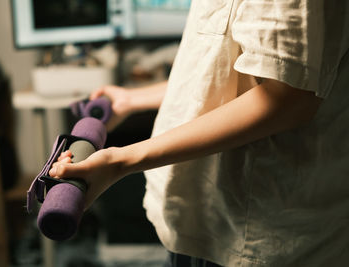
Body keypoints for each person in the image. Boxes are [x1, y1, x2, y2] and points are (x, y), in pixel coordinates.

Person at [50, 0, 349, 266]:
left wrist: (121, 162)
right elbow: (227, 73)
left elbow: (287, 99)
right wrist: (132, 99)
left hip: (255, 235)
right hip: (205, 222)